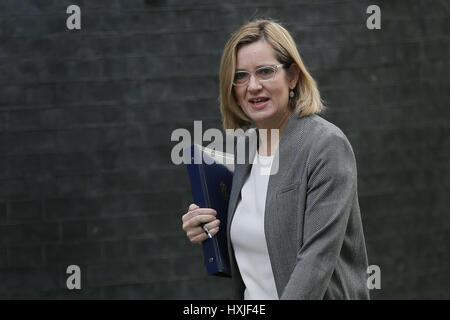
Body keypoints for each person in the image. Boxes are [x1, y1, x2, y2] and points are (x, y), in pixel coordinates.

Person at [181, 19, 369, 300]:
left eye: (265, 72)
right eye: (241, 76)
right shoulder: (246, 150)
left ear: (292, 76)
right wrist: (207, 229)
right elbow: (262, 247)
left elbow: (315, 263)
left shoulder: (325, 145)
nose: (253, 86)